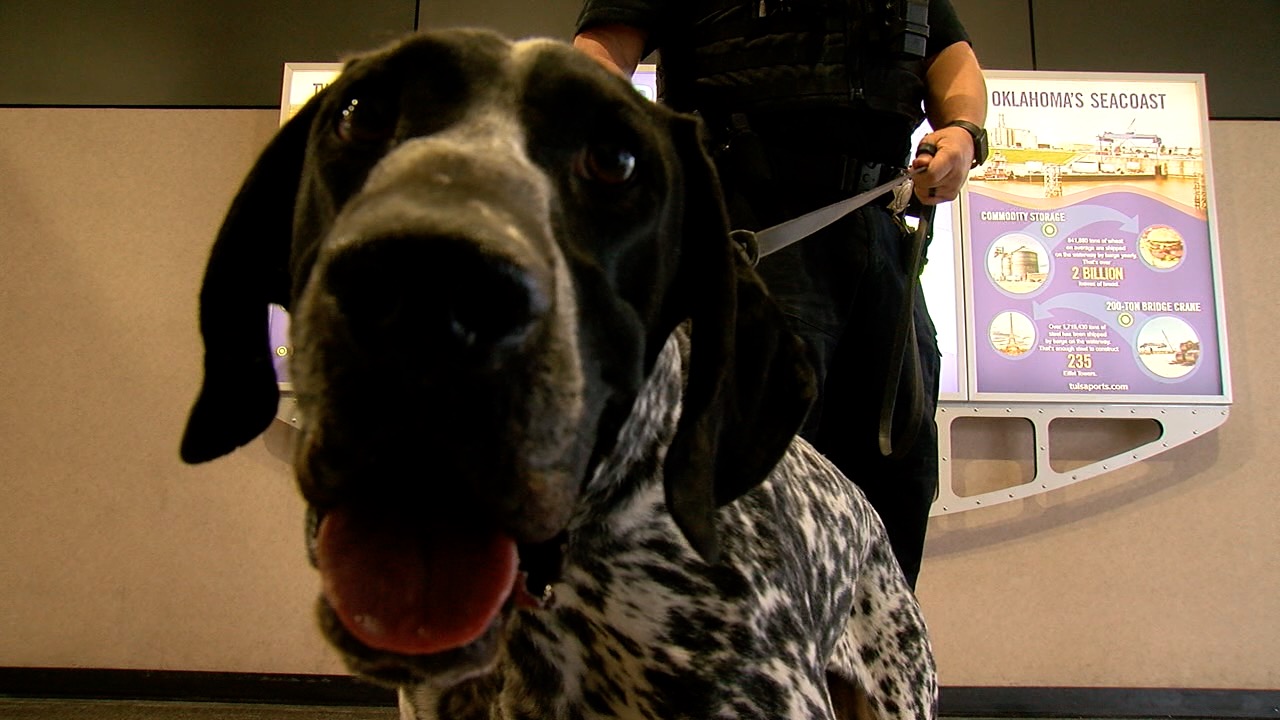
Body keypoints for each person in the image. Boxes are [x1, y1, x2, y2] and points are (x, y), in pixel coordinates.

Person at [573, 0, 988, 588]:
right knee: (750, 483)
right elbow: (601, 52)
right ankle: (741, 664)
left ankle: (870, 661)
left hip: (878, 231)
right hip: (752, 228)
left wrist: (964, 132)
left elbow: (951, 55)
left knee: (896, 475)